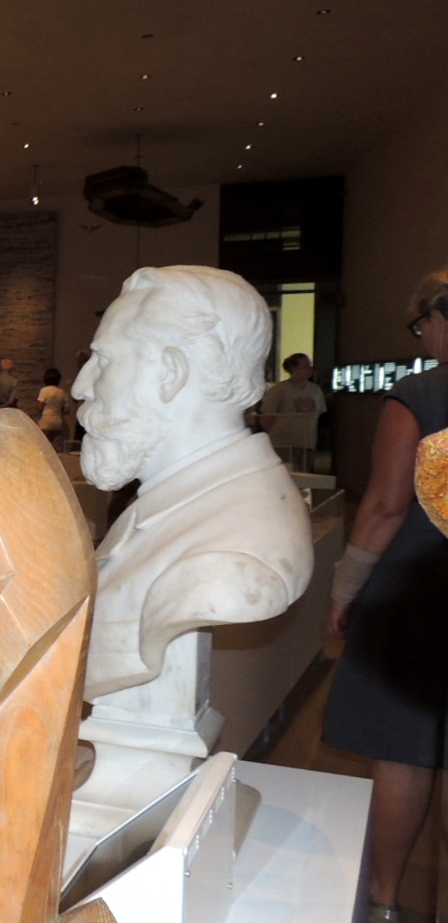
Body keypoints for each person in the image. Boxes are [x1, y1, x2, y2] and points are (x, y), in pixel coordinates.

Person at [73, 265, 312, 700]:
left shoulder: (231, 562)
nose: (80, 387)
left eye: (103, 360)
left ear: (171, 372)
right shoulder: (171, 499)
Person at [323, 271, 448, 923]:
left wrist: (344, 589)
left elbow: (385, 505)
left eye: (422, 324)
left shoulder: (419, 395)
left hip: (420, 597)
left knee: (405, 749)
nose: (422, 336)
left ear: (440, 318)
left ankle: (385, 897)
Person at [258, 352, 326, 472]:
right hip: (283, 443)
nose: (310, 369)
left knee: (305, 475)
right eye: (305, 366)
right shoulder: (278, 390)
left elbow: (320, 415)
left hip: (307, 443)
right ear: (294, 368)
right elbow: (267, 417)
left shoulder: (315, 390)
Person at [36, 366, 70, 450]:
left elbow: (39, 408)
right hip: (58, 423)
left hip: (46, 422)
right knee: (56, 449)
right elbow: (67, 410)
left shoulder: (44, 390)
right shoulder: (62, 392)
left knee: (44, 448)